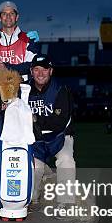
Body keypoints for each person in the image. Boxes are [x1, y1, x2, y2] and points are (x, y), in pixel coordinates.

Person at [27, 55, 75, 208]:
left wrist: (35, 120)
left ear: (51, 71)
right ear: (31, 72)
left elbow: (58, 123)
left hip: (60, 137)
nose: (40, 73)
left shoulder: (61, 90)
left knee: (66, 161)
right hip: (35, 140)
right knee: (34, 169)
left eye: (45, 69)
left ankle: (66, 202)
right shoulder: (24, 90)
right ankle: (32, 195)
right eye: (36, 69)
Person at [0, 1, 39, 80]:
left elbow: (33, 66)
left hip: (23, 89)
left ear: (17, 17)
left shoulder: (28, 39)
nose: (8, 16)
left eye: (12, 13)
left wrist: (6, 67)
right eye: (4, 14)